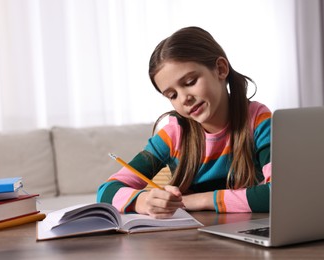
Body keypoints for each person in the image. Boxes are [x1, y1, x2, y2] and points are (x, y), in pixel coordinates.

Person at [97, 26, 272, 219]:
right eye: (172, 95)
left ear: (221, 69)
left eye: (190, 82)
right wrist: (143, 201)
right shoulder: (173, 134)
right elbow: (106, 191)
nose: (184, 99)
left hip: (250, 233)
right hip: (192, 239)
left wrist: (195, 200)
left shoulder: (257, 120)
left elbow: (279, 193)